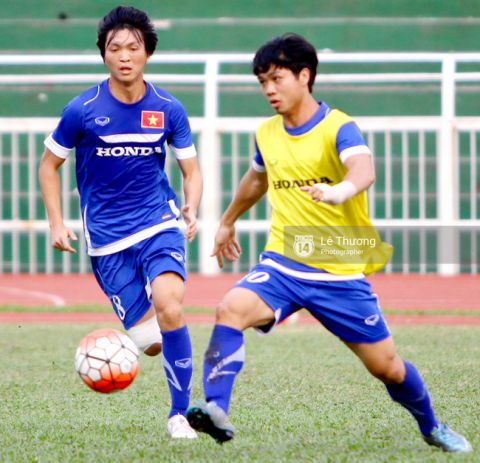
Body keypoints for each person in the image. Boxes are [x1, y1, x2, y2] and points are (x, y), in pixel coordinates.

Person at [186, 33, 472, 453]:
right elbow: (257, 179)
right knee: (230, 308)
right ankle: (216, 408)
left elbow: (363, 169)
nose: (268, 89)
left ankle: (432, 426)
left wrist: (340, 191)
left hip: (338, 267)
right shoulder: (267, 133)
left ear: (305, 76)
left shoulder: (338, 126)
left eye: (277, 79)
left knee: (387, 367)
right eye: (262, 81)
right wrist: (228, 221)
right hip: (284, 261)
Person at [38, 6, 201, 439]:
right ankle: (162, 343)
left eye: (133, 48)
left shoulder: (168, 108)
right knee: (151, 342)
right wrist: (56, 222)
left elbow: (191, 170)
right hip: (107, 239)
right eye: (115, 48)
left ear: (148, 52)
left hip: (157, 221)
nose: (125, 56)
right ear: (104, 54)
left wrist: (191, 206)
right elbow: (48, 165)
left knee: (170, 304)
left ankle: (180, 414)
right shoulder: (82, 109)